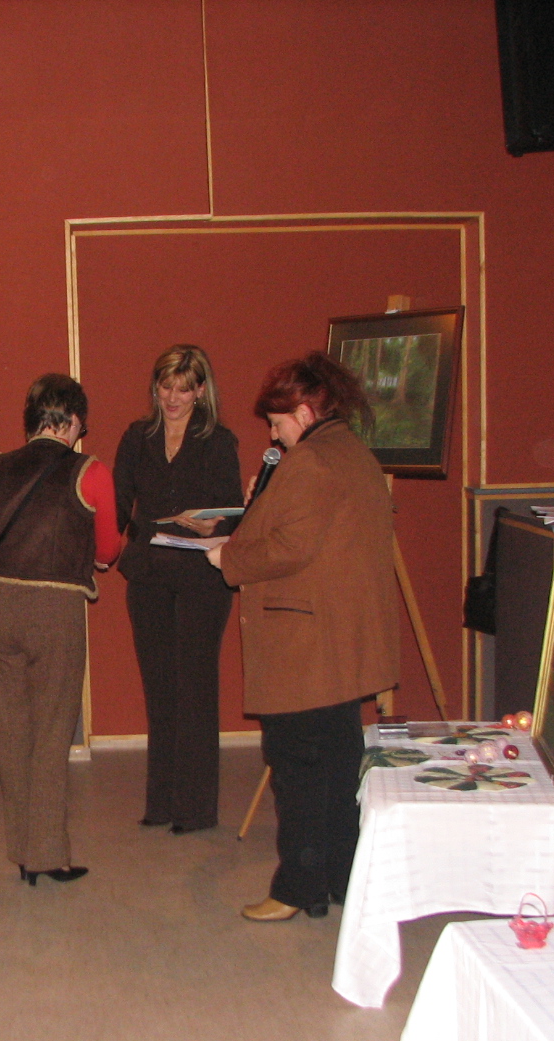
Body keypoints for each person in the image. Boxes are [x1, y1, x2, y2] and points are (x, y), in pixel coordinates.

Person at [204, 351, 399, 921]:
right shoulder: (351, 452)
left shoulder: (311, 462)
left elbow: (290, 548)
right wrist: (260, 507)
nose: (273, 434)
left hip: (304, 647)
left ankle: (297, 889)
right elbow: (304, 532)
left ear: (306, 412)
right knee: (337, 768)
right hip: (336, 644)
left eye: (278, 421)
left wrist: (227, 557)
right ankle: (341, 878)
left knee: (298, 769)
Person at [0, 374, 121, 886]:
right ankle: (47, 854)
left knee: (11, 731)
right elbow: (108, 550)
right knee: (51, 733)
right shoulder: (90, 470)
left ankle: (21, 852)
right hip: (55, 609)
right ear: (72, 421)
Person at [113, 346, 242, 833]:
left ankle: (195, 809)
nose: (172, 397)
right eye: (165, 387)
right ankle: (162, 803)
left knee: (195, 689)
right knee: (160, 689)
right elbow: (120, 504)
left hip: (200, 576)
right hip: (149, 573)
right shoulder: (137, 437)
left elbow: (232, 511)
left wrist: (210, 525)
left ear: (200, 391)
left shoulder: (219, 441)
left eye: (183, 389)